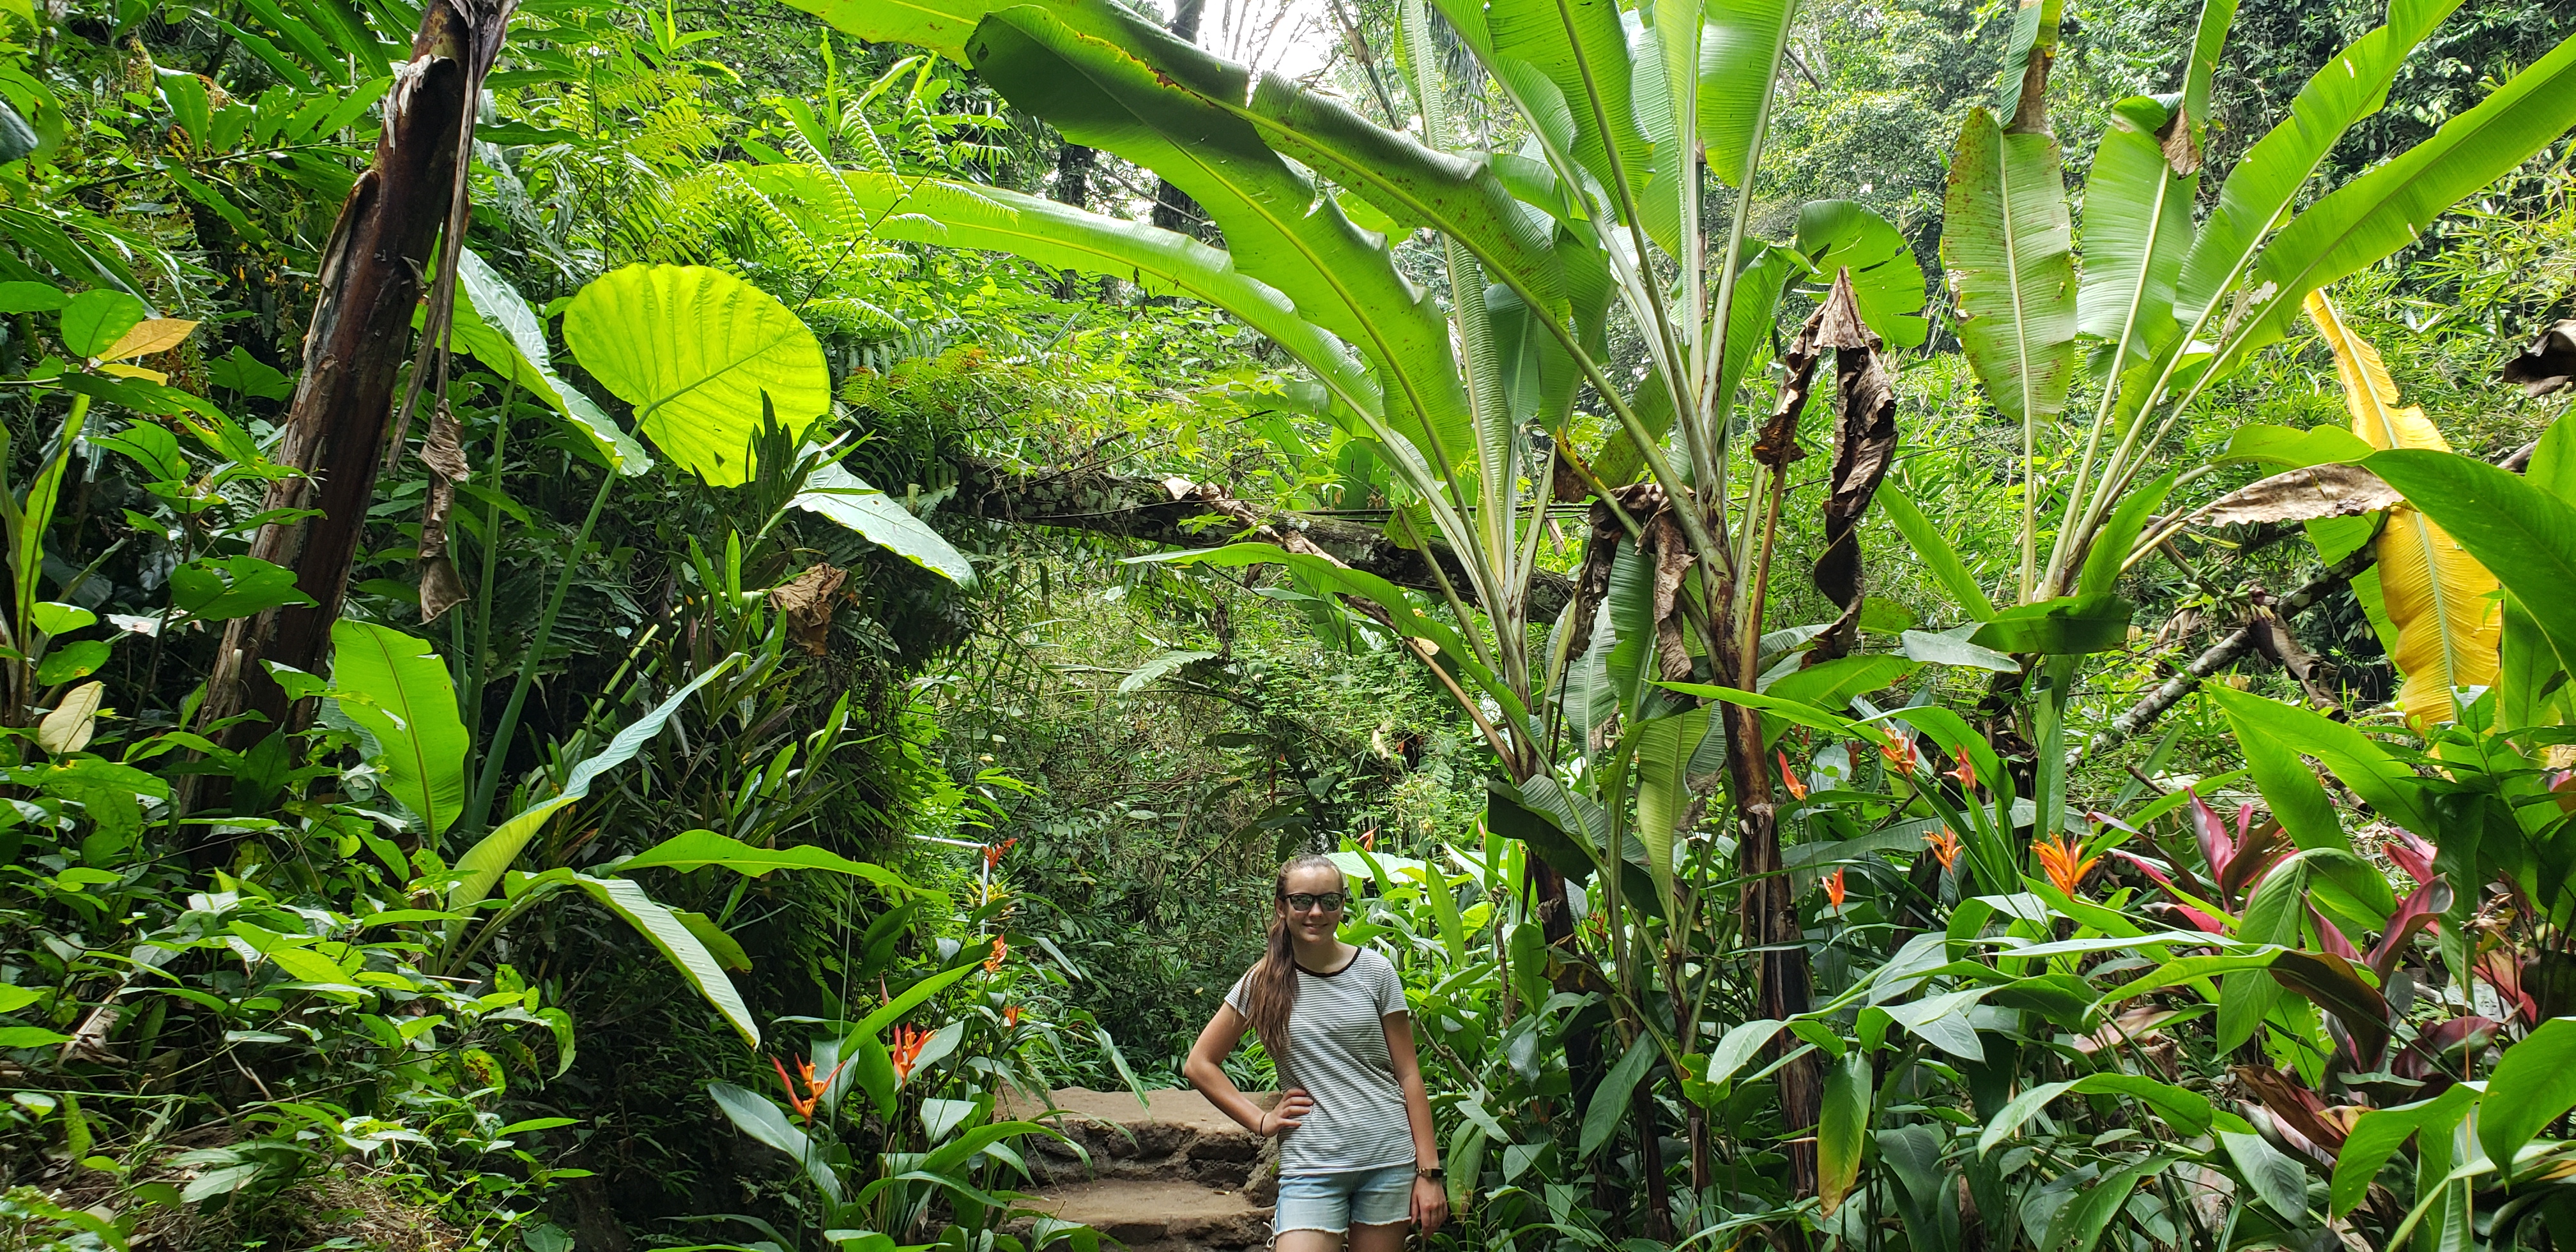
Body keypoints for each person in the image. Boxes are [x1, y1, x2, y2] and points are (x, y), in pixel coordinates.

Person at [1183, 855, 1449, 1250]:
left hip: (1387, 1159)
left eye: (1329, 900)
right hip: (1311, 1165)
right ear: (1282, 906)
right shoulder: (1264, 981)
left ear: (1343, 904)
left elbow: (1408, 1074)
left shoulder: (1376, 972)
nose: (1316, 912)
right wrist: (1261, 1121)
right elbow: (1200, 1064)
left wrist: (1429, 1174)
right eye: (1303, 900)